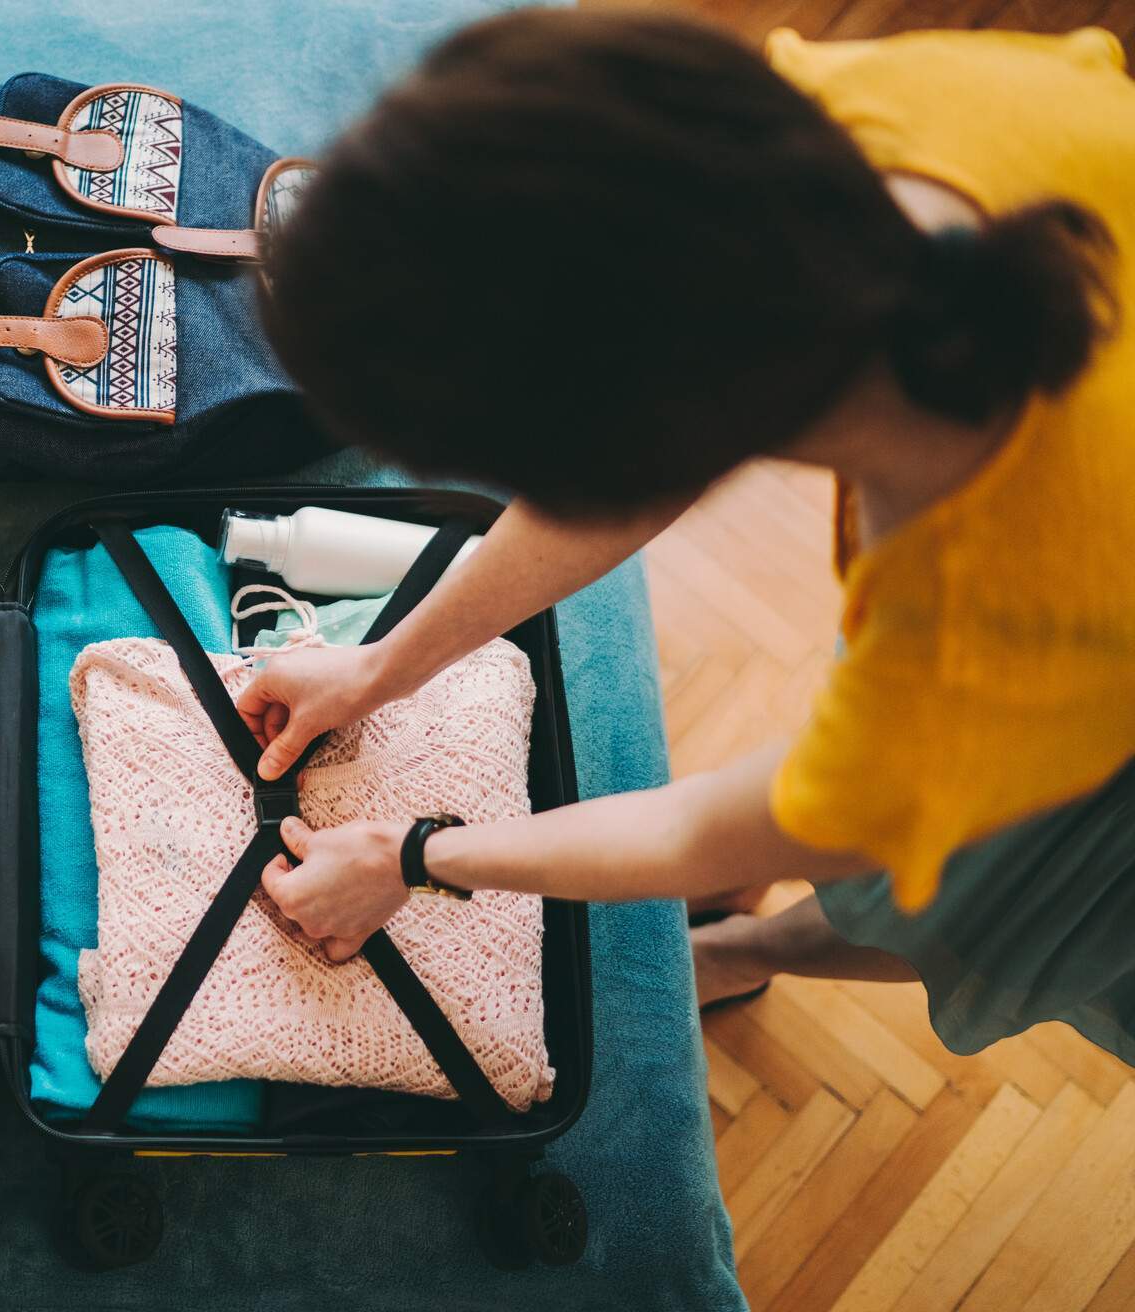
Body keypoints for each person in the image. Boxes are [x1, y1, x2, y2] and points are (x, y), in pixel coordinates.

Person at [245, 10, 1135, 1064]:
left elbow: (709, 825)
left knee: (973, 907)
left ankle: (739, 952)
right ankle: (747, 937)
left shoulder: (968, 664)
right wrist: (381, 667)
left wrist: (410, 854)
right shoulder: (896, 121)